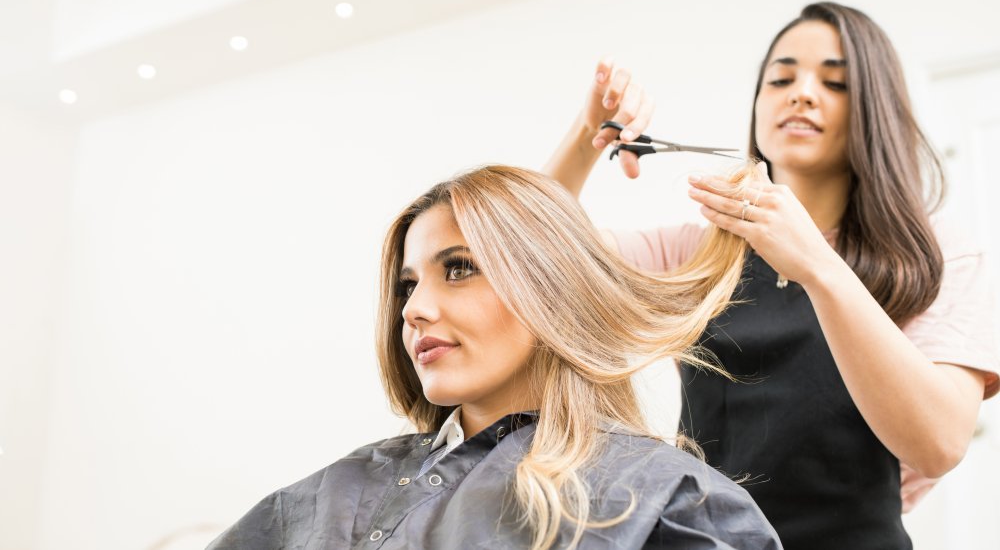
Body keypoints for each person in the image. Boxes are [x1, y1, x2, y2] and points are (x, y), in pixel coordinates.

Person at [544, 1, 999, 550]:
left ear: (875, 110)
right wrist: (585, 135)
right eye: (781, 77)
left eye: (834, 83)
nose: (801, 92)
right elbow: (533, 257)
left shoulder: (933, 255)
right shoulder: (699, 252)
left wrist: (819, 268)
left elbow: (940, 444)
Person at [206, 165, 781, 549]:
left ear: (549, 287)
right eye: (408, 286)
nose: (414, 310)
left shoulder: (666, 502)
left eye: (458, 269)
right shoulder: (334, 491)